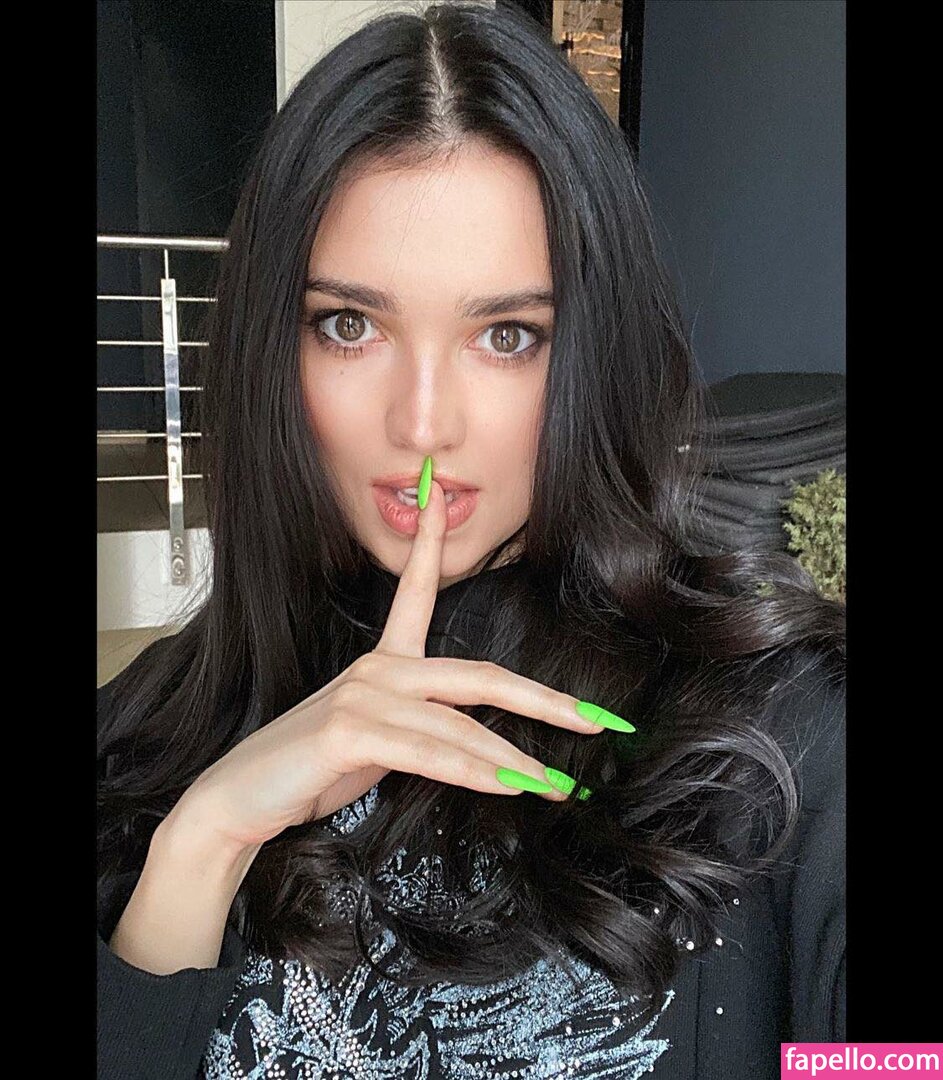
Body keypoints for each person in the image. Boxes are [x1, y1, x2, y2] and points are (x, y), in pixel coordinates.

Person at [97, 3, 846, 1077]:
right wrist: (201, 843)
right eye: (349, 325)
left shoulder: (782, 736)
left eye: (506, 336)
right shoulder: (142, 734)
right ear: (273, 347)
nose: (422, 424)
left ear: (592, 351)